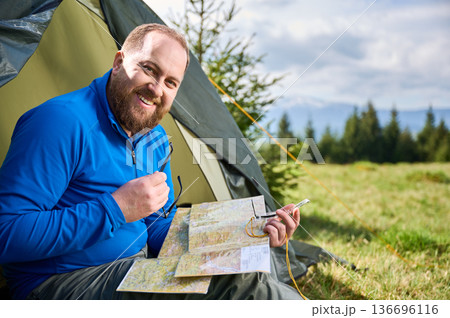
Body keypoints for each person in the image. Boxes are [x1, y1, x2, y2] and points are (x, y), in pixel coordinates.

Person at [0, 23, 301, 300]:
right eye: (149, 69)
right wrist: (116, 208)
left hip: (135, 268)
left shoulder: (153, 138)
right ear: (119, 63)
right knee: (236, 286)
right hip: (58, 284)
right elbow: (6, 232)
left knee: (245, 273)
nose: (157, 89)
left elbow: (155, 229)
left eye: (171, 83)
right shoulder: (61, 122)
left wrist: (243, 234)